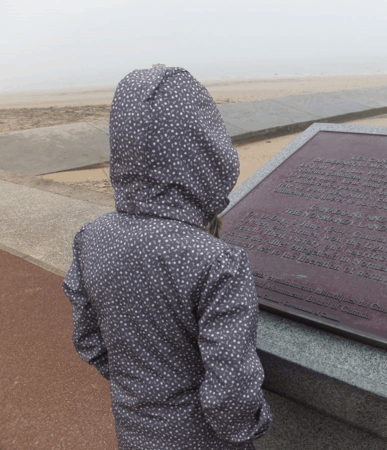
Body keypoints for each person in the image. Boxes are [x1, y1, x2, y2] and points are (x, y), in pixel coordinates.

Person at [63, 67, 273, 449]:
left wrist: (141, 389)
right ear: (205, 150)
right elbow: (232, 395)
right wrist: (254, 428)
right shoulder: (217, 263)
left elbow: (89, 339)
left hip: (132, 430)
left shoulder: (90, 238)